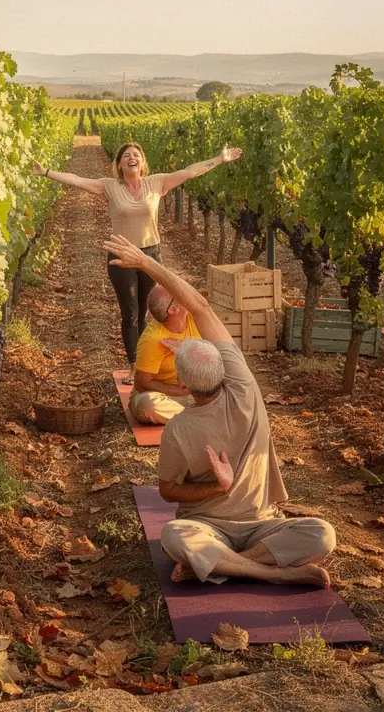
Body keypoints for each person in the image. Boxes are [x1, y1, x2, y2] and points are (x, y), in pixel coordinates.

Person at [104, 234, 335, 588]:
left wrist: (214, 489)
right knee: (322, 536)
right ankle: (269, 572)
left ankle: (229, 564)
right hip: (245, 527)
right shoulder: (246, 389)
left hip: (238, 526)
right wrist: (147, 262)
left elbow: (168, 491)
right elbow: (202, 307)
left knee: (174, 537)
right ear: (226, 365)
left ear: (183, 381)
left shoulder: (178, 428)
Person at [34, 141, 241, 372]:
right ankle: (135, 365)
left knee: (151, 310)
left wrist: (219, 159)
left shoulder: (157, 183)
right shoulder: (109, 186)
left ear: (142, 162)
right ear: (119, 164)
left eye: (136, 155)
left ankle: (151, 360)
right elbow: (76, 180)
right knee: (131, 312)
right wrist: (46, 173)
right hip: (121, 256)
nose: (132, 158)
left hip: (151, 254)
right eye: (126, 156)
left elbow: (190, 172)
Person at [128, 285, 202, 425]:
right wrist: (182, 392)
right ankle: (197, 418)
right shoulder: (152, 339)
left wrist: (188, 349)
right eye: (177, 293)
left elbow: (217, 353)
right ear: (173, 310)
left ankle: (193, 415)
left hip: (196, 389)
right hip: (165, 395)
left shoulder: (195, 317)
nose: (182, 292)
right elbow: (141, 383)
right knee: (149, 406)